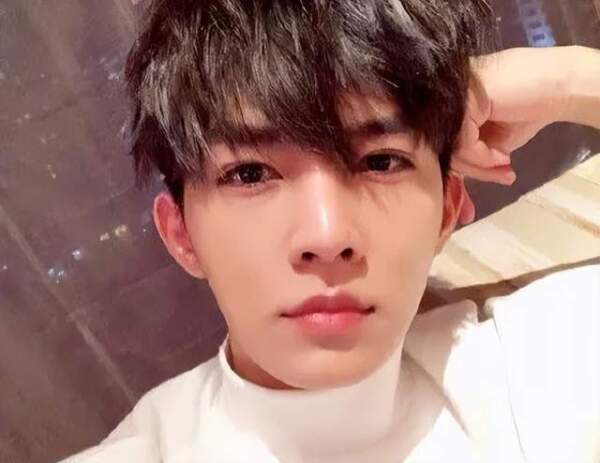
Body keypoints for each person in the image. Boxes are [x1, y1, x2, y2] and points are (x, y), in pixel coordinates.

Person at [59, 1, 600, 461]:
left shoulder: (531, 373)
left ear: (446, 210)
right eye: (250, 174)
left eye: (381, 161)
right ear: (181, 234)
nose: (326, 236)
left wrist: (566, 80)